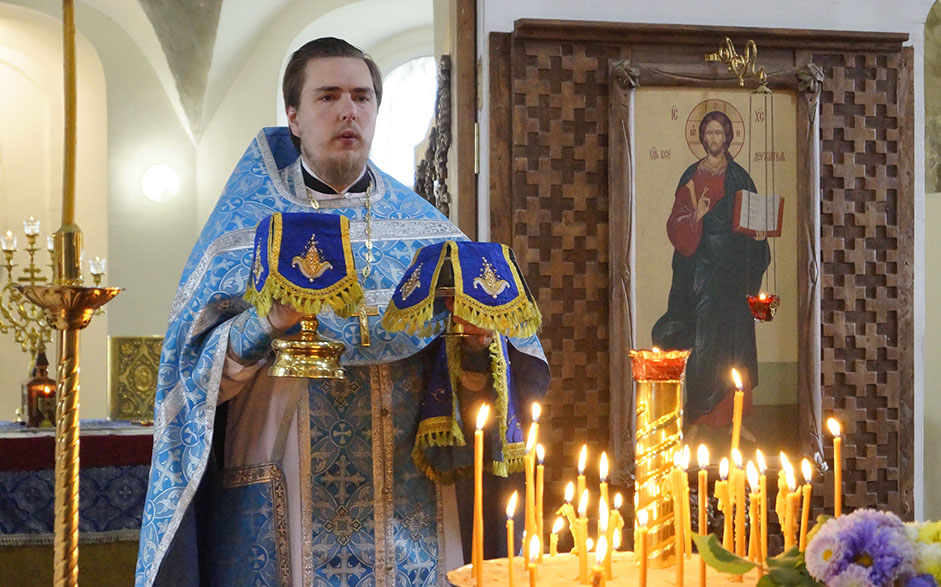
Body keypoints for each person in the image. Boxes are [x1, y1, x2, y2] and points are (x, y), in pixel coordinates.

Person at [135, 37, 549, 587]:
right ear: (294, 117)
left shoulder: (427, 231)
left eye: (362, 96)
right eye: (328, 96)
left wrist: (475, 343)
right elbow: (191, 379)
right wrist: (267, 322)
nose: (348, 110)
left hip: (412, 506)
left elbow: (475, 388)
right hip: (285, 485)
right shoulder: (243, 232)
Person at [651, 110, 769, 429]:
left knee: (736, 340)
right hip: (701, 271)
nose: (714, 138)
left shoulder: (740, 177)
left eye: (719, 133)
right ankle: (701, 415)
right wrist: (697, 216)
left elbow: (754, 217)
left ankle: (736, 420)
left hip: (735, 272)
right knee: (704, 339)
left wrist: (759, 237)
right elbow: (675, 224)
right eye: (710, 133)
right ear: (702, 137)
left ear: (727, 137)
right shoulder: (692, 176)